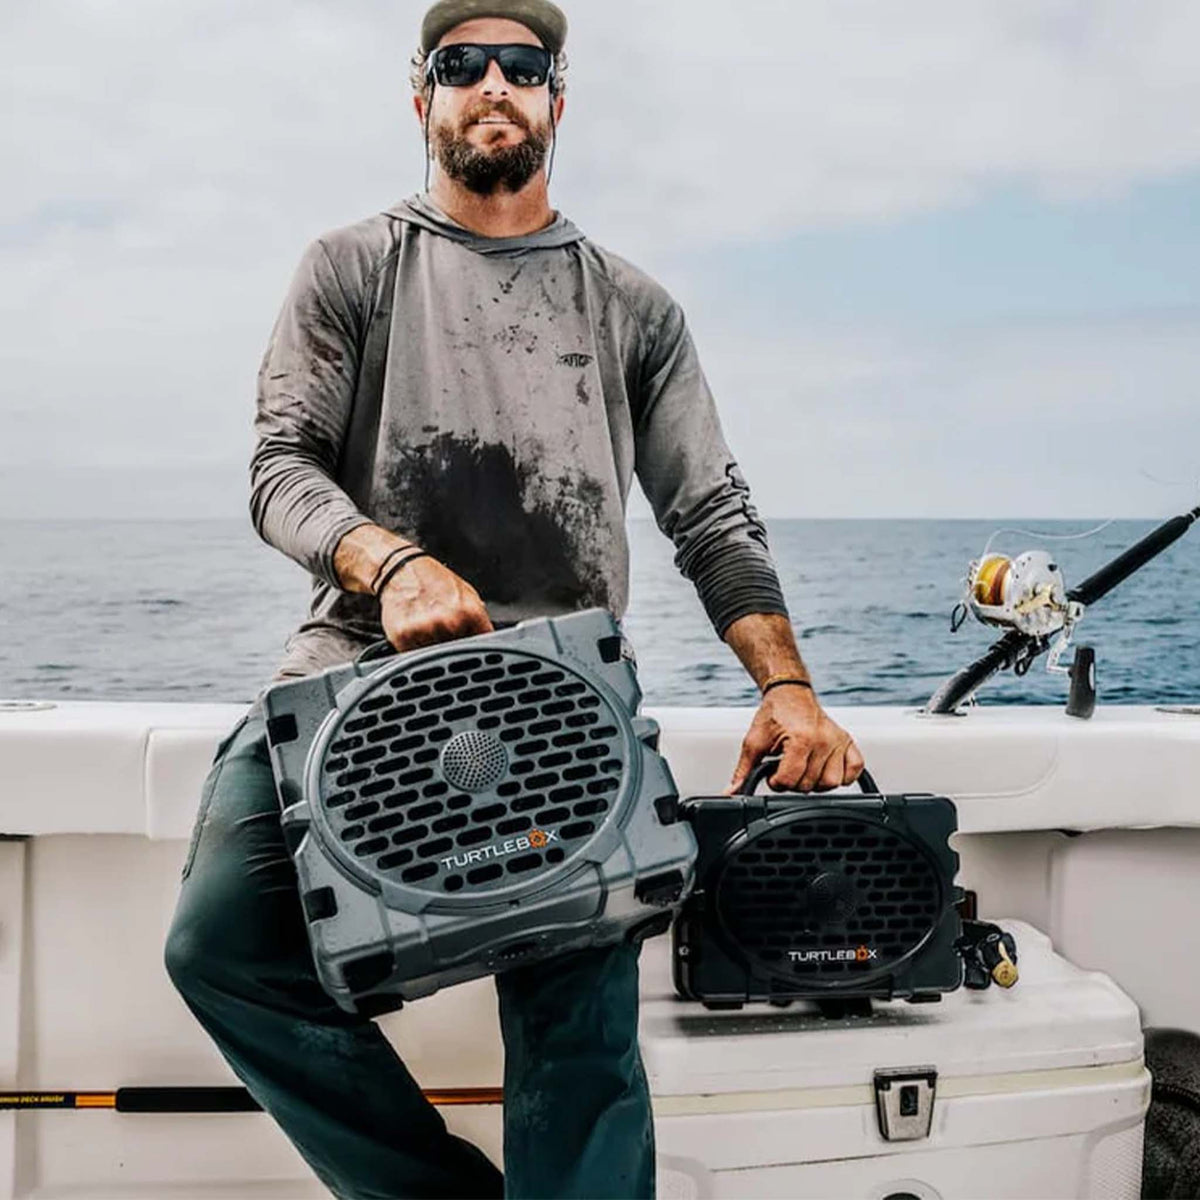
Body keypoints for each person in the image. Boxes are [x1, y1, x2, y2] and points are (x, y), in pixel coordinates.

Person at [164, 2, 866, 1197]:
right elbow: (281, 470)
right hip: (352, 677)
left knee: (579, 1047)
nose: (495, 82)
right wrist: (390, 563)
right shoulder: (349, 267)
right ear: (422, 95)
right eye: (462, 63)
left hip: (559, 704)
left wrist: (788, 689)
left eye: (524, 66)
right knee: (220, 946)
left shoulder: (635, 308)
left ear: (556, 98)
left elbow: (711, 515)